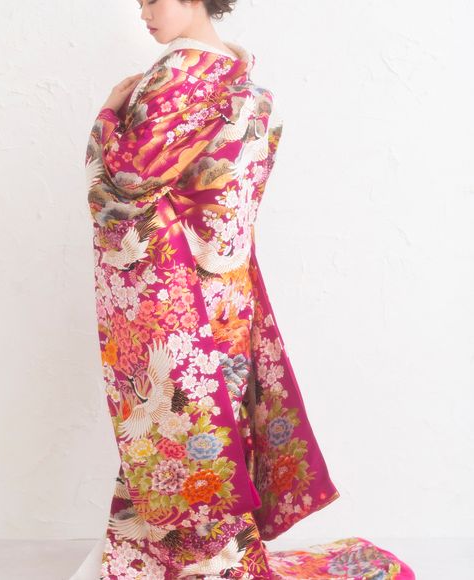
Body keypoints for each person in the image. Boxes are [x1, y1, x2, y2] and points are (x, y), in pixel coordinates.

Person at [73, 0, 417, 577]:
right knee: (209, 427)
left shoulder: (178, 73)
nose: (142, 13)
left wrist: (107, 115)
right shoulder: (242, 78)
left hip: (178, 290)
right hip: (227, 283)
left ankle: (195, 563)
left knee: (181, 425)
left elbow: (127, 180)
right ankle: (189, 556)